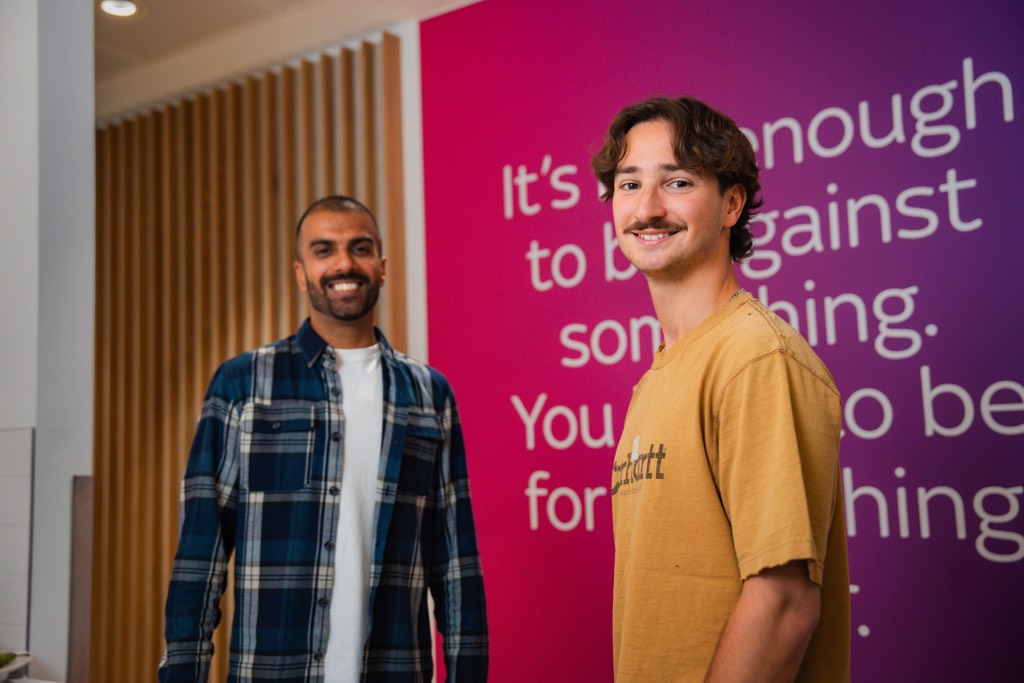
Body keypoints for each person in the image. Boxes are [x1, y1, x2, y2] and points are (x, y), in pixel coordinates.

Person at [159, 196, 488, 682]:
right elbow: (200, 554)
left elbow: (454, 561)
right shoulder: (243, 384)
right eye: (323, 250)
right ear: (301, 272)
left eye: (359, 248)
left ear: (381, 265)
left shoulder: (429, 394)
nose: (343, 263)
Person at [592, 96, 850, 682]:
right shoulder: (663, 373)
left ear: (732, 203)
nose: (647, 209)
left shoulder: (756, 357)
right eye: (629, 185)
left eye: (677, 182)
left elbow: (783, 604)